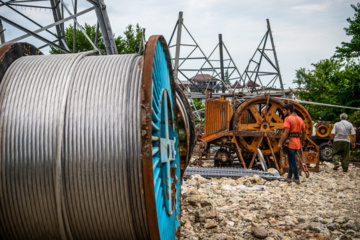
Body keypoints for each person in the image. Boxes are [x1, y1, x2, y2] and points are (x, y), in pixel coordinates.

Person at [278, 103, 306, 185]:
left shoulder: (287, 119)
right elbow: (304, 131)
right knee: (291, 160)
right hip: (298, 142)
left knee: (293, 161)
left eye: (284, 110)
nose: (283, 112)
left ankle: (296, 178)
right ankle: (289, 177)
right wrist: (302, 140)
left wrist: (280, 143)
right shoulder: (300, 119)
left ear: (288, 110)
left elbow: (286, 132)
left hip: (290, 142)